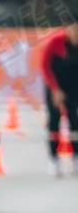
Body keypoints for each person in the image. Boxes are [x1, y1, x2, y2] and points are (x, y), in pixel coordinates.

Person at [41, 21, 78, 177]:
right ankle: (54, 160)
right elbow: (44, 66)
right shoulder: (55, 42)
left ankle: (75, 159)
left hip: (74, 86)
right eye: (74, 30)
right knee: (54, 121)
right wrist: (55, 89)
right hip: (54, 85)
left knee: (74, 122)